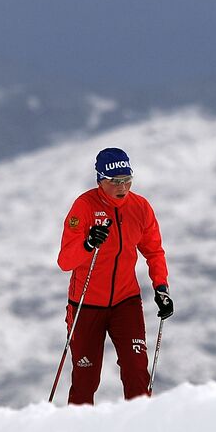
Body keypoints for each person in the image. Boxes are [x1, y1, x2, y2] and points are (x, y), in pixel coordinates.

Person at [56, 147, 172, 405]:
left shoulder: (140, 207)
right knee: (86, 379)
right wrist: (87, 244)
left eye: (127, 180)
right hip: (86, 304)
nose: (122, 187)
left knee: (136, 371)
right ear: (100, 180)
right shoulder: (83, 207)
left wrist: (161, 287)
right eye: (114, 181)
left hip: (125, 301)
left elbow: (154, 251)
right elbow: (65, 261)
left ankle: (142, 428)